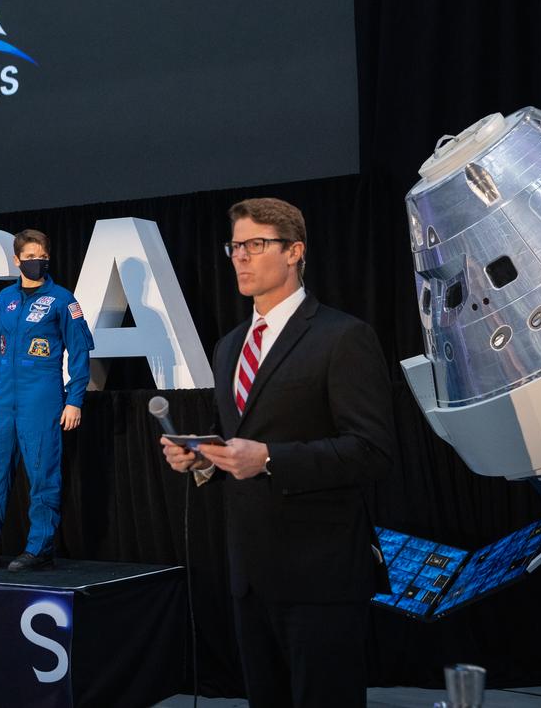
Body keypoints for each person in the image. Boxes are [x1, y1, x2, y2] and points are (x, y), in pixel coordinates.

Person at [161, 198, 393, 708]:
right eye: (235, 246)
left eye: (256, 245)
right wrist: (204, 459)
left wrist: (269, 459)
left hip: (321, 578)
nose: (241, 257)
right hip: (249, 574)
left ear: (295, 252)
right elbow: (238, 436)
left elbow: (372, 451)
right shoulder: (229, 346)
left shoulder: (343, 336)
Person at [0, 229, 94, 572]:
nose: (36, 262)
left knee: (43, 475)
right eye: (29, 257)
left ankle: (39, 547)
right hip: (3, 400)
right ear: (17, 260)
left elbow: (80, 354)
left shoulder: (62, 300)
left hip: (41, 397)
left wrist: (75, 399)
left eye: (41, 256)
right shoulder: (4, 301)